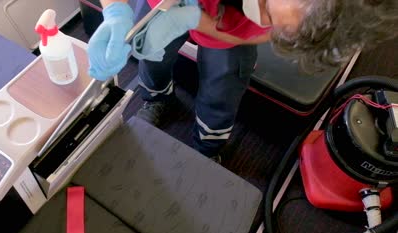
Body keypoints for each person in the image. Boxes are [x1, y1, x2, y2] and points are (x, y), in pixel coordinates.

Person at [86, 0, 398, 161]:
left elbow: (265, 28)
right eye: (266, 7)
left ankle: (207, 148)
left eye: (275, 23)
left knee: (224, 86)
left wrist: (197, 21)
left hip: (227, 25)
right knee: (151, 56)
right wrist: (115, 11)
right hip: (165, 5)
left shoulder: (286, 16)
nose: (264, 20)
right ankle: (157, 99)